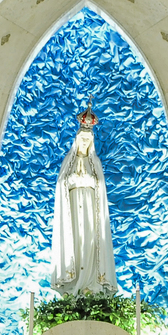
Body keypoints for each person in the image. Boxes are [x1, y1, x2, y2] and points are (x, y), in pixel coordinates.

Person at [50, 102, 118, 296]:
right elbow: (61, 184)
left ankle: (90, 282)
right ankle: (73, 283)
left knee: (89, 241)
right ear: (77, 140)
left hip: (90, 207)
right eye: (83, 139)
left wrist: (89, 181)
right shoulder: (68, 163)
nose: (85, 143)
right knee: (75, 241)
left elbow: (100, 187)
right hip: (72, 207)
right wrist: (72, 180)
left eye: (88, 140)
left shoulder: (94, 163)